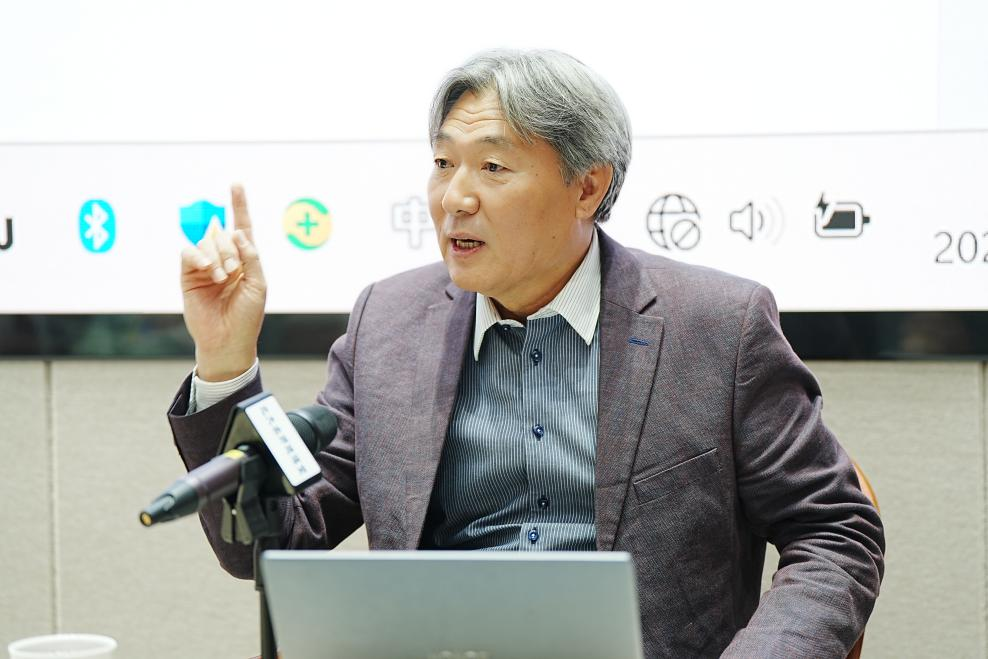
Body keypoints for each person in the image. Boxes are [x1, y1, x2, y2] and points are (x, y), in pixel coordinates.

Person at [168, 49, 884, 657]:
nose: (454, 197)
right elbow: (270, 544)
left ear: (587, 187)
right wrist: (226, 362)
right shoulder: (389, 324)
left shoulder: (716, 326)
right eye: (443, 163)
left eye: (492, 166)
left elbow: (834, 530)